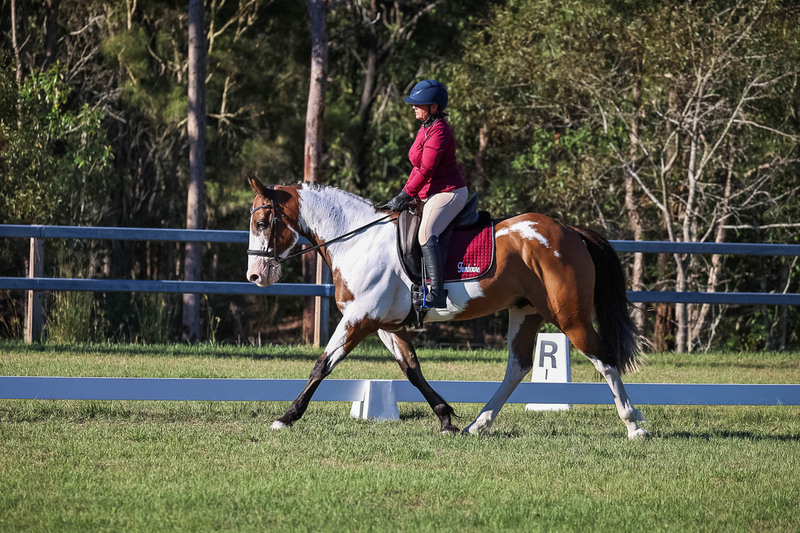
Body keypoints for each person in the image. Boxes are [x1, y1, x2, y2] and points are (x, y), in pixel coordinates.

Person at [384, 79, 468, 309]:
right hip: (428, 191)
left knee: (426, 234)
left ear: (434, 107)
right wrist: (406, 193)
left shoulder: (439, 131)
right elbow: (417, 167)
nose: (414, 107)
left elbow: (426, 169)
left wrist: (405, 193)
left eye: (419, 104)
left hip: (448, 192)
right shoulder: (426, 127)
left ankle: (437, 293)